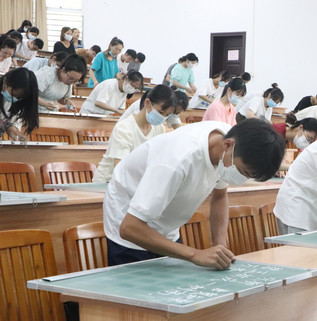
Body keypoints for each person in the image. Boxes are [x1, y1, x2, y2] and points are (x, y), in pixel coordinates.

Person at [103, 118, 285, 267]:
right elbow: (129, 228)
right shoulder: (177, 160)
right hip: (129, 223)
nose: (241, 179)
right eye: (243, 172)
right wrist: (194, 254)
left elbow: (220, 196)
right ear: (228, 145)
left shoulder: (229, 146)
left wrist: (220, 245)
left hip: (165, 225)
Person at [93, 85, 177, 183]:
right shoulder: (124, 128)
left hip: (137, 181)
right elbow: (121, 168)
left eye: (167, 115)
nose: (162, 117)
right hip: (108, 182)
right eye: (161, 112)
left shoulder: (159, 129)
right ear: (147, 103)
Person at [0, 67, 39, 141]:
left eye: (19, 98)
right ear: (5, 81)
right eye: (13, 94)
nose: (14, 99)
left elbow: (9, 123)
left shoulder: (18, 102)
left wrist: (14, 132)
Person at [121, 89, 188, 130]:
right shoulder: (147, 106)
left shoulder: (170, 112)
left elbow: (179, 130)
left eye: (176, 113)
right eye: (161, 112)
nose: (172, 114)